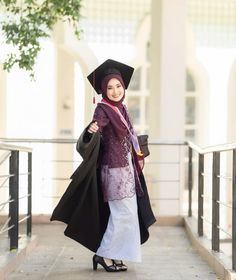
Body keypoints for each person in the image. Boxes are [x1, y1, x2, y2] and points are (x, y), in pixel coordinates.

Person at [50, 59, 156, 273]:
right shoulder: (103, 109)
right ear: (103, 90)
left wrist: (137, 156)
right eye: (110, 87)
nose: (115, 91)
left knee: (127, 213)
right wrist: (91, 130)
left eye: (118, 86)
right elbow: (94, 132)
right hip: (114, 170)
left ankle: (116, 255)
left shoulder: (121, 108)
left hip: (126, 168)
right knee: (122, 214)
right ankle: (103, 254)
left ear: (123, 87)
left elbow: (130, 136)